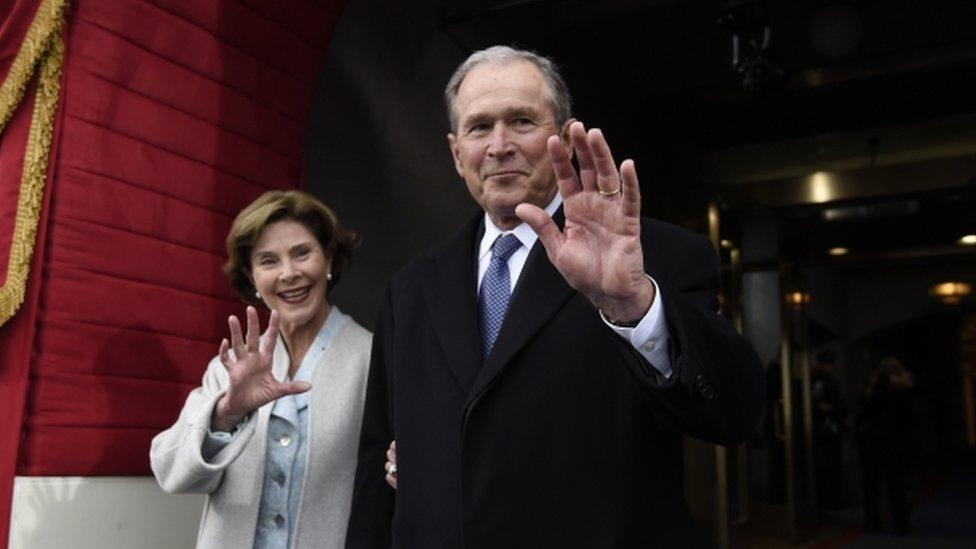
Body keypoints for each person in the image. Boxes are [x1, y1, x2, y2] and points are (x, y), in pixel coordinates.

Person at [345, 46, 764, 547]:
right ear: (457, 155)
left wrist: (633, 306)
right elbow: (377, 465)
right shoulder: (410, 289)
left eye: (521, 120)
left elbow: (735, 413)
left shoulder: (656, 258)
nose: (499, 145)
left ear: (563, 137)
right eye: (479, 128)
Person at [151, 190, 372, 549]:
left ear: (329, 257)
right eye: (268, 261)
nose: (289, 274)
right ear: (252, 278)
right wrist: (226, 414)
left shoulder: (373, 359)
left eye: (302, 253)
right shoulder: (229, 367)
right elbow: (171, 474)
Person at [856, 356, 914, 535]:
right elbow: (908, 417)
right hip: (894, 442)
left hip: (872, 442)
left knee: (871, 485)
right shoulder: (902, 389)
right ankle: (900, 523)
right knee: (896, 485)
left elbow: (863, 412)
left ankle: (872, 521)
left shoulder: (872, 389)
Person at [811, 350, 849, 511]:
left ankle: (833, 500)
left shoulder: (826, 380)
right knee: (827, 466)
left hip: (830, 427)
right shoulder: (819, 379)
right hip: (824, 429)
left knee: (832, 466)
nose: (830, 366)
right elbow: (819, 404)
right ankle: (830, 501)